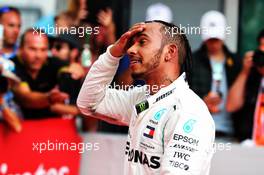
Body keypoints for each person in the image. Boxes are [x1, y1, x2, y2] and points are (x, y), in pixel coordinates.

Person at [77, 21, 215, 174]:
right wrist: (113, 53)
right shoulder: (143, 97)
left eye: (142, 42)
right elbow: (89, 102)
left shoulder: (189, 111)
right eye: (131, 43)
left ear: (169, 52)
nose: (130, 49)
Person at [190, 11, 240, 140]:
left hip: (231, 132)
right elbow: (183, 94)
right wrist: (202, 103)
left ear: (223, 37)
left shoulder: (236, 62)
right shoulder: (191, 61)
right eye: (210, 39)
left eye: (216, 39)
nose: (213, 43)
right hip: (197, 131)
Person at [12, 28, 81, 119]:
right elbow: (25, 98)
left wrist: (73, 71)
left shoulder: (52, 62)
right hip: (21, 125)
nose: (38, 55)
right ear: (20, 49)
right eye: (32, 49)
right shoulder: (11, 65)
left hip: (52, 126)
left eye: (43, 50)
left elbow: (76, 68)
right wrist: (49, 98)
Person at [226, 29, 264, 142]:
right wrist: (245, 71)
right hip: (248, 145)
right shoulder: (251, 73)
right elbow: (231, 106)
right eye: (262, 46)